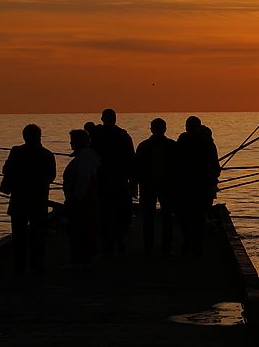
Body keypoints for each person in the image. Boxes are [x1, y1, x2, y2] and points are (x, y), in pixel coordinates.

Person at [1, 124, 56, 274]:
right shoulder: (48, 154)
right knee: (38, 237)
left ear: (24, 137)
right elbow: (51, 176)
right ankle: (37, 267)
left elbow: (6, 170)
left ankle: (20, 268)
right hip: (39, 201)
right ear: (40, 136)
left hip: (19, 201)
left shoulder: (16, 151)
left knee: (19, 238)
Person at [175, 116, 221, 255]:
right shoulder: (207, 143)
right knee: (199, 216)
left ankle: (188, 243)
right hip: (202, 187)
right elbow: (215, 167)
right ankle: (196, 244)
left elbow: (176, 163)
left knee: (186, 216)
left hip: (187, 186)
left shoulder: (182, 141)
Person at [91, 108, 135, 254]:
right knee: (120, 213)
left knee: (105, 213)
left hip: (104, 181)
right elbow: (131, 161)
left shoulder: (96, 136)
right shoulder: (123, 136)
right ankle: (118, 241)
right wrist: (133, 184)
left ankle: (108, 242)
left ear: (102, 118)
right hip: (119, 180)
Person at [134, 118, 177, 256]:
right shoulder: (172, 145)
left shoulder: (143, 146)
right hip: (163, 186)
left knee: (150, 218)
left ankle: (150, 248)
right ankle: (164, 248)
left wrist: (134, 186)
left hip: (153, 186)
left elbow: (136, 169)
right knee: (164, 218)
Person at [63, 129, 101, 265]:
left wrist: (74, 200)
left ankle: (79, 259)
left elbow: (82, 182)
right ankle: (84, 258)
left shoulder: (83, 158)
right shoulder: (88, 156)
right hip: (87, 201)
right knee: (85, 230)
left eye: (73, 141)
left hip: (82, 202)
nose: (71, 143)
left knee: (77, 231)